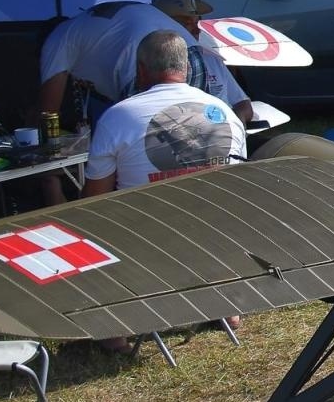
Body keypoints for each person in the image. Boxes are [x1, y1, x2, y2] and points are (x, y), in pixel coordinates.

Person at [83, 30, 248, 351]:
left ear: (141, 70)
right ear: (186, 68)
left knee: (92, 220)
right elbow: (238, 187)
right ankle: (226, 304)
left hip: (148, 239)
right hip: (214, 236)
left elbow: (93, 200)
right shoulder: (225, 112)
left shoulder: (117, 117)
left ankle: (114, 330)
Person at [38, 0, 253, 126]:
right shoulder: (87, 27)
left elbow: (48, 113)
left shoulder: (57, 39)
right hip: (189, 53)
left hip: (147, 58)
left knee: (143, 138)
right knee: (191, 132)